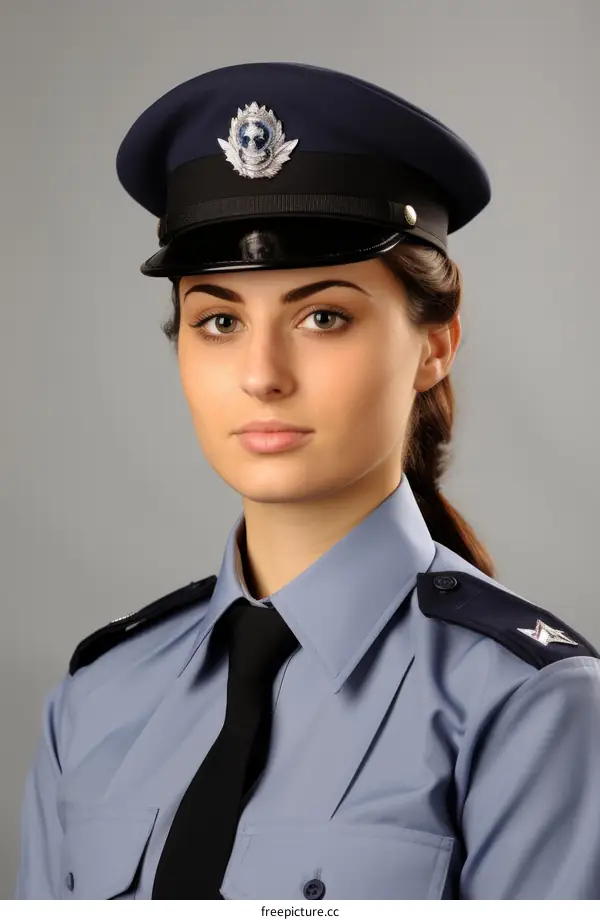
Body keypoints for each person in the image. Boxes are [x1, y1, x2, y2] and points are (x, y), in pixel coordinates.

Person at [14, 61, 600, 901]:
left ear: (435, 344)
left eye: (323, 317)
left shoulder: (528, 707)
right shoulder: (96, 700)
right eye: (218, 320)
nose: (262, 374)